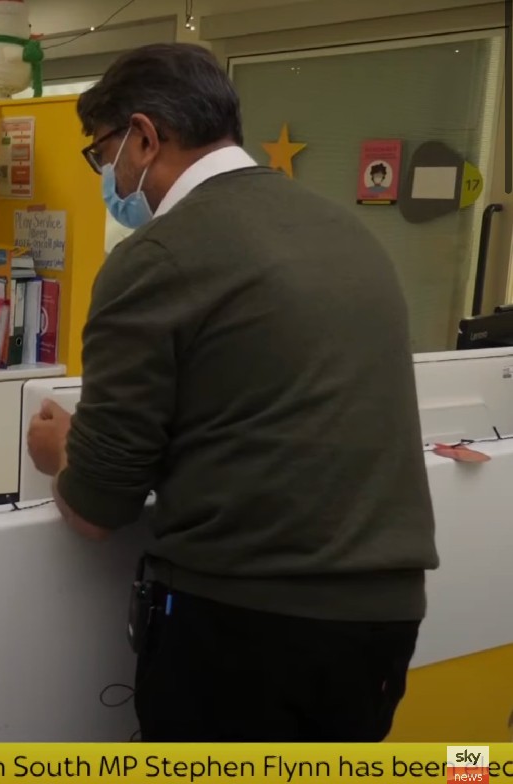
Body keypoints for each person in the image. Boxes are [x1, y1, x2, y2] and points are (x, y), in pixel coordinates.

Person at [24, 43, 437, 742]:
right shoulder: (346, 231)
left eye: (104, 153)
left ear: (146, 137)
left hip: (246, 629)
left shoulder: (156, 258)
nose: (109, 175)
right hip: (382, 623)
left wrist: (61, 449)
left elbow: (98, 507)